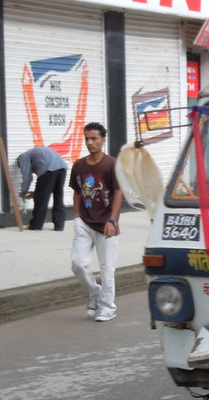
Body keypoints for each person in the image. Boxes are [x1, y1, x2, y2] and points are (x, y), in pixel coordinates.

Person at [69, 122, 123, 322]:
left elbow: (118, 192)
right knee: (78, 264)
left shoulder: (111, 164)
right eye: (87, 139)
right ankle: (95, 293)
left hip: (106, 224)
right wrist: (76, 216)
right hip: (84, 221)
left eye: (94, 139)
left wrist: (113, 220)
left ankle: (108, 307)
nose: (90, 142)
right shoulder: (79, 165)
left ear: (103, 140)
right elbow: (77, 191)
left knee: (107, 268)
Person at [17, 146, 67, 231]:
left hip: (49, 169)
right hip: (62, 168)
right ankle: (59, 225)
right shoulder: (35, 153)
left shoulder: (23, 158)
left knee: (41, 198)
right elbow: (45, 186)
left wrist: (24, 192)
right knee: (58, 196)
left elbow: (27, 177)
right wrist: (37, 192)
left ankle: (36, 225)